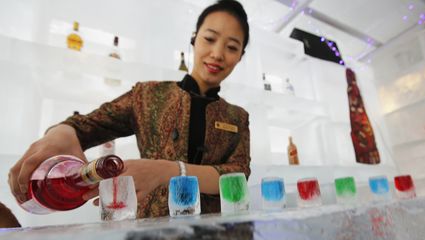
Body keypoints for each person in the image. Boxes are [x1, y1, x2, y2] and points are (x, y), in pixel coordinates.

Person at [8, 0, 250, 218]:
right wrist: (62, 133)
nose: (217, 53)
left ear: (240, 56)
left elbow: (239, 174)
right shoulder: (146, 95)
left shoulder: (238, 117)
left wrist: (168, 170)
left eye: (231, 47)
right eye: (209, 39)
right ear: (194, 38)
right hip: (151, 231)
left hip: (218, 230)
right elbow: (89, 125)